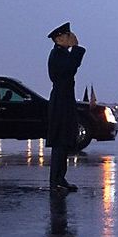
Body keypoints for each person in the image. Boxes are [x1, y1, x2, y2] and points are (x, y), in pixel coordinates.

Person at [46, 21, 86, 194]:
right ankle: (56, 181)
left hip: (64, 100)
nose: (72, 38)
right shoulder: (57, 55)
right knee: (60, 142)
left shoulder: (61, 53)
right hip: (61, 101)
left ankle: (60, 178)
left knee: (64, 142)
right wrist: (76, 48)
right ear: (59, 38)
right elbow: (70, 69)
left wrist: (75, 49)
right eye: (68, 35)